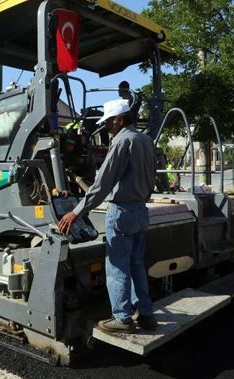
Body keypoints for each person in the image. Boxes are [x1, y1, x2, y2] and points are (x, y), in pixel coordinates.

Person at [58, 99, 157, 334]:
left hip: (121, 213)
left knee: (117, 267)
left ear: (120, 120)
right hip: (140, 211)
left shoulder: (122, 141)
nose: (107, 127)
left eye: (109, 122)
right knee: (136, 265)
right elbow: (151, 179)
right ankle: (145, 314)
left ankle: (122, 318)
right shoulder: (145, 140)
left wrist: (76, 211)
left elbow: (102, 184)